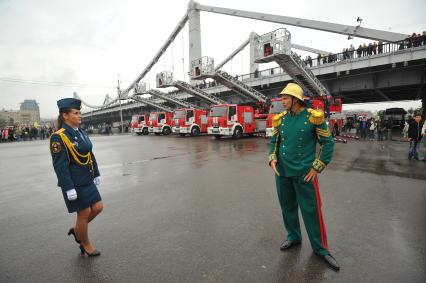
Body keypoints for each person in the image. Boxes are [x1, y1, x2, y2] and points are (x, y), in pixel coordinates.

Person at [268, 83, 339, 271]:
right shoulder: (280, 119)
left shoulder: (313, 118)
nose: (281, 101)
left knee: (312, 211)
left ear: (295, 99)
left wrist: (317, 167)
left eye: (285, 98)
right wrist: (272, 158)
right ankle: (293, 237)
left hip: (305, 174)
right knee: (287, 208)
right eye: (282, 98)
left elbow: (328, 143)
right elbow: (274, 141)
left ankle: (321, 248)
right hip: (282, 173)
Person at [49, 98, 103, 257]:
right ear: (65, 116)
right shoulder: (59, 137)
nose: (80, 116)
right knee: (84, 212)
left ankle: (77, 231)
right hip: (74, 183)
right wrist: (69, 188)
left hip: (87, 179)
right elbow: (60, 166)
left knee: (98, 207)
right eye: (76, 113)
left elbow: (89, 154)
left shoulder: (81, 131)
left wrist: (96, 172)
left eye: (80, 113)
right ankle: (85, 243)